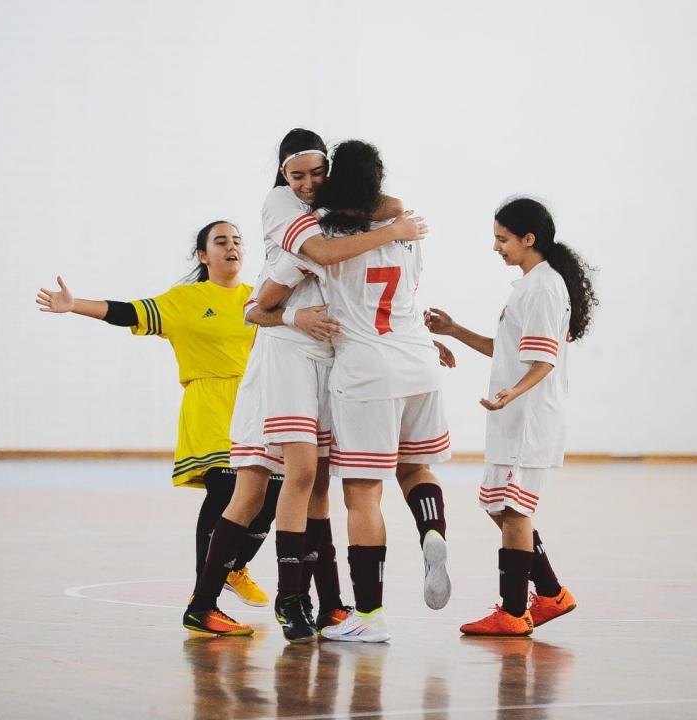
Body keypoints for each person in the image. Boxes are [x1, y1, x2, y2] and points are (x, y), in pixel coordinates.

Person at [36, 220, 336, 634]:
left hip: (259, 405)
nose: (231, 247)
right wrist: (75, 305)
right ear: (202, 255)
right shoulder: (186, 300)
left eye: (237, 240)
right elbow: (129, 312)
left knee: (272, 499)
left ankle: (233, 568)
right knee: (228, 490)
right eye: (220, 241)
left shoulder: (259, 299)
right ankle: (204, 596)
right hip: (210, 406)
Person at [185, 130, 425, 643]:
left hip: (330, 362)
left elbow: (387, 208)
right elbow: (258, 306)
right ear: (283, 176)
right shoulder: (293, 223)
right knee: (293, 477)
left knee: (306, 484)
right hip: (286, 358)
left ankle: (327, 603)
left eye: (320, 174)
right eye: (299, 175)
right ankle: (289, 599)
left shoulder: (343, 230)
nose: (310, 183)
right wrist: (295, 317)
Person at [261, 140, 454, 642]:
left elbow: (262, 303)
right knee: (416, 468)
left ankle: (369, 616)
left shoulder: (322, 238)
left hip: (368, 373)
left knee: (364, 495)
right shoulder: (410, 231)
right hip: (419, 362)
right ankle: (433, 529)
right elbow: (405, 292)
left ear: (333, 177)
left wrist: (286, 312)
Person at [425, 197, 597, 636]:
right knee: (499, 508)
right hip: (512, 418)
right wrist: (454, 330)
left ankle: (514, 612)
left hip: (528, 421)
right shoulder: (528, 286)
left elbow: (544, 361)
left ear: (528, 239)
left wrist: (510, 395)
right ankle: (552, 593)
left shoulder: (543, 287)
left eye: (502, 239)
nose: (496, 247)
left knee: (514, 512)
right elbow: (505, 352)